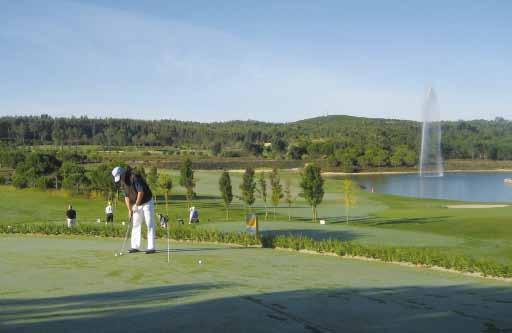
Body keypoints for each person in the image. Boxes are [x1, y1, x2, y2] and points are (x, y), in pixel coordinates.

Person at [112, 166, 156, 254]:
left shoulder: (134, 177)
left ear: (123, 173)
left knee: (149, 223)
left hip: (146, 201)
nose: (120, 179)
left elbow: (141, 192)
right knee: (136, 224)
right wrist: (129, 210)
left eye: (120, 177)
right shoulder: (122, 182)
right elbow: (126, 197)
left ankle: (151, 247)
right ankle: (135, 246)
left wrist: (136, 204)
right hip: (136, 203)